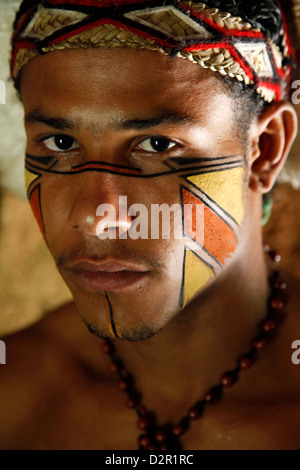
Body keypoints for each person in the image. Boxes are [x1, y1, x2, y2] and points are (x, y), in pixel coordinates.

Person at [0, 0, 300, 450]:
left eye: (157, 144)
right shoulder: (15, 391)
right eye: (60, 142)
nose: (96, 217)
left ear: (265, 150)